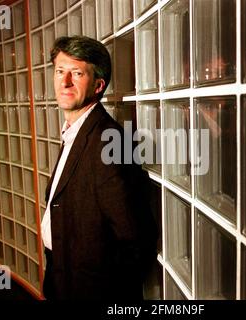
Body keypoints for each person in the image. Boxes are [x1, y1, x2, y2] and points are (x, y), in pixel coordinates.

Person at [41, 36, 158, 300]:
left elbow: (134, 242)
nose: (65, 82)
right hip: (60, 274)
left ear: (97, 85)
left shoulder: (107, 142)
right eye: (60, 71)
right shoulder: (74, 132)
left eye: (77, 73)